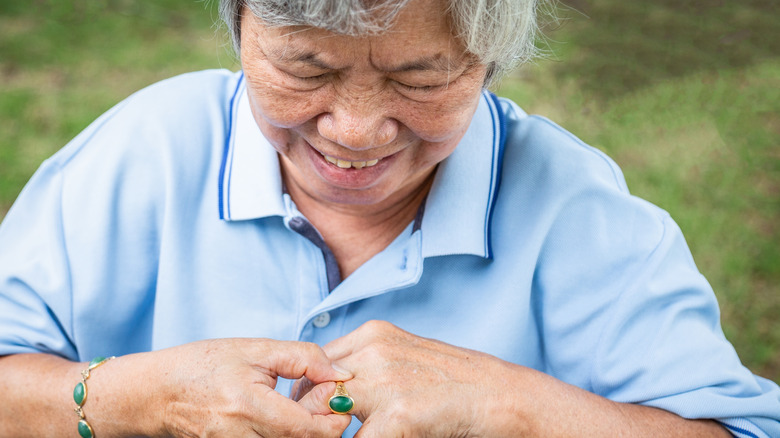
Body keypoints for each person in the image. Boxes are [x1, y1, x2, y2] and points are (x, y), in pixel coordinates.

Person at [0, 0, 778, 436]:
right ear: (239, 27)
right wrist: (132, 398)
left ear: (487, 64)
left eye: (421, 78)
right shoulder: (144, 151)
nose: (355, 131)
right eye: (306, 70)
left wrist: (514, 407)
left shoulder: (574, 209)